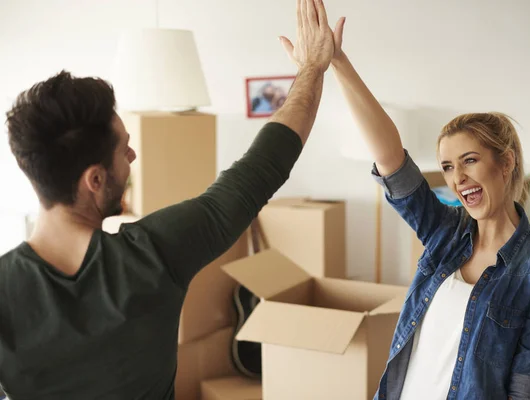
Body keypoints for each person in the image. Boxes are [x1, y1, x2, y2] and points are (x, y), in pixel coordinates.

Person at [0, 0, 334, 398]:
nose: (132, 157)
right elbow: (260, 169)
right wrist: (312, 69)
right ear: (94, 179)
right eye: (123, 150)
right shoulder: (154, 254)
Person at [286, 8, 530, 400]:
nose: (458, 178)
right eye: (449, 167)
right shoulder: (445, 231)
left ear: (505, 162)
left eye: (470, 160)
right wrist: (338, 61)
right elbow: (391, 160)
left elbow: (527, 384)